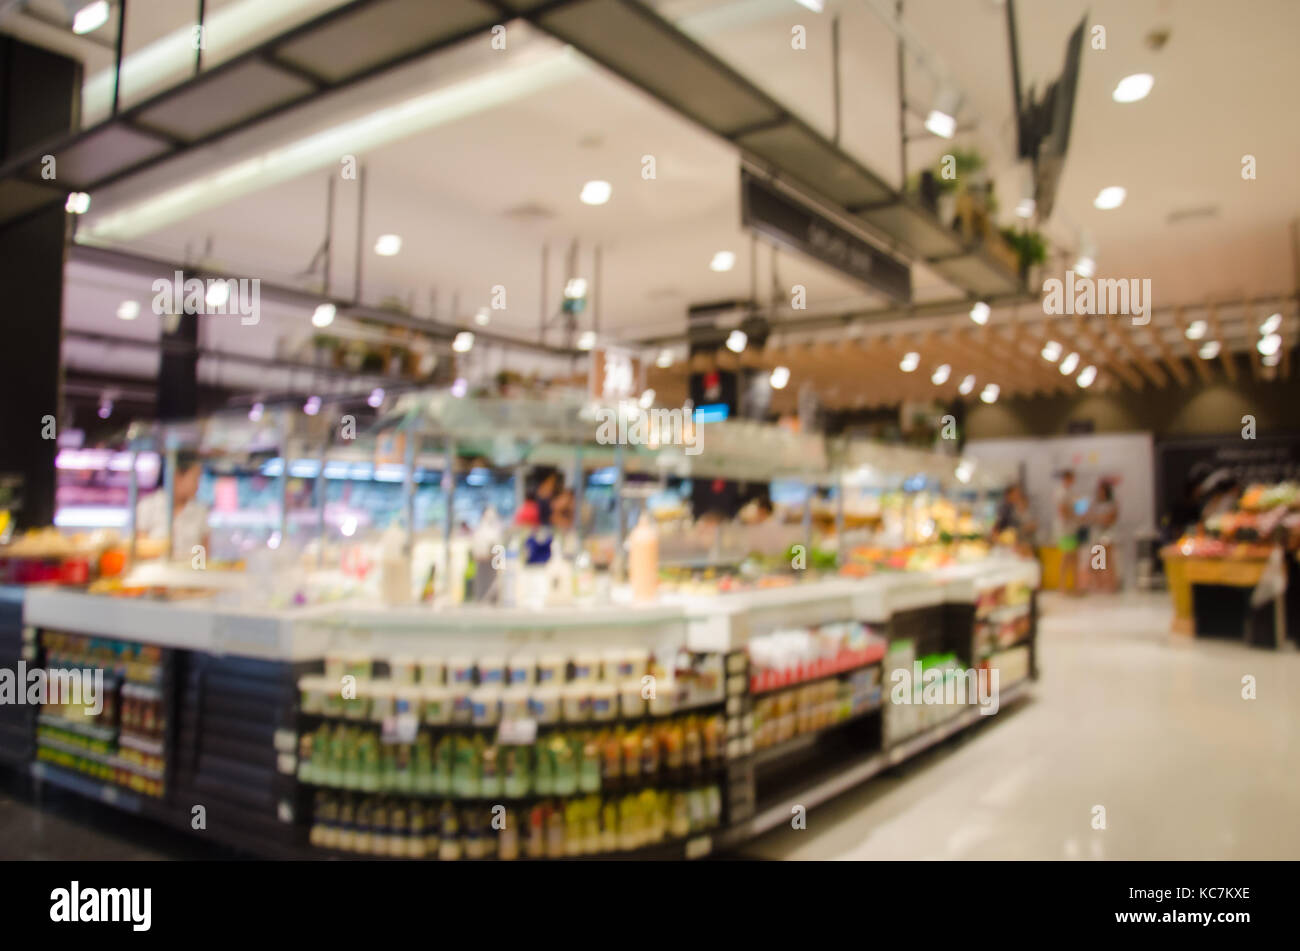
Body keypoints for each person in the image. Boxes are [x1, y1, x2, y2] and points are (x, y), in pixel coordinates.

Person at [136, 451, 209, 559]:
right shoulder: (147, 507)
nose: (198, 485)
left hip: (191, 574)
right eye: (195, 478)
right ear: (177, 476)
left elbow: (203, 557)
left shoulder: (200, 511)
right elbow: (139, 552)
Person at [1081, 480, 1120, 593]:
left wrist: (1099, 518)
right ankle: (1097, 584)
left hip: (1108, 534)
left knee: (1108, 559)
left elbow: (1110, 518)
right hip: (1097, 534)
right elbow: (1089, 517)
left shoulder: (1112, 503)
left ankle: (1111, 585)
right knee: (1096, 560)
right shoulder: (1095, 503)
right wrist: (1098, 518)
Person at [1053, 469, 1081, 593]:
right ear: (1066, 478)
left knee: (1074, 557)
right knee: (1066, 556)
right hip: (1065, 530)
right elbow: (1062, 511)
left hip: (1072, 528)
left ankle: (1074, 585)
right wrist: (1073, 514)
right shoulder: (1061, 493)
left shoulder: (1071, 492)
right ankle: (1062, 586)